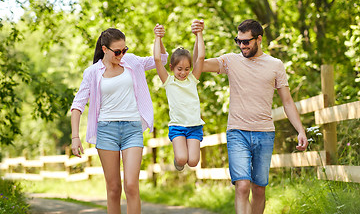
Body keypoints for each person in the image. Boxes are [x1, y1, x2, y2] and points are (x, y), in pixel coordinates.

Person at [191, 19, 308, 214]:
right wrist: (198, 36)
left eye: (246, 41)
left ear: (259, 39)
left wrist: (301, 130)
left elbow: (287, 101)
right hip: (237, 132)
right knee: (243, 186)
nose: (242, 46)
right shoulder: (230, 61)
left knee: (259, 189)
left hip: (265, 133)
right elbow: (198, 65)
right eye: (238, 41)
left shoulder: (275, 65)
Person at [70, 27, 168, 214]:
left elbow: (161, 60)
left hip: (132, 129)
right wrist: (75, 137)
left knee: (131, 185)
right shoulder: (92, 72)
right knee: (114, 189)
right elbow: (77, 106)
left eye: (124, 50)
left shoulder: (131, 62)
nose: (121, 55)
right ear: (105, 49)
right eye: (117, 51)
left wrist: (158, 38)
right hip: (106, 131)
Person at [153, 21, 205, 171]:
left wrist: (199, 34)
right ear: (172, 68)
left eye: (187, 69)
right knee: (182, 158)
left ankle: (183, 159)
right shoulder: (169, 82)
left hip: (194, 126)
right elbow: (157, 60)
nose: (183, 73)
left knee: (194, 162)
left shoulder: (192, 79)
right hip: (177, 127)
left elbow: (200, 57)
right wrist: (158, 37)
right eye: (179, 69)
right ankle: (178, 158)